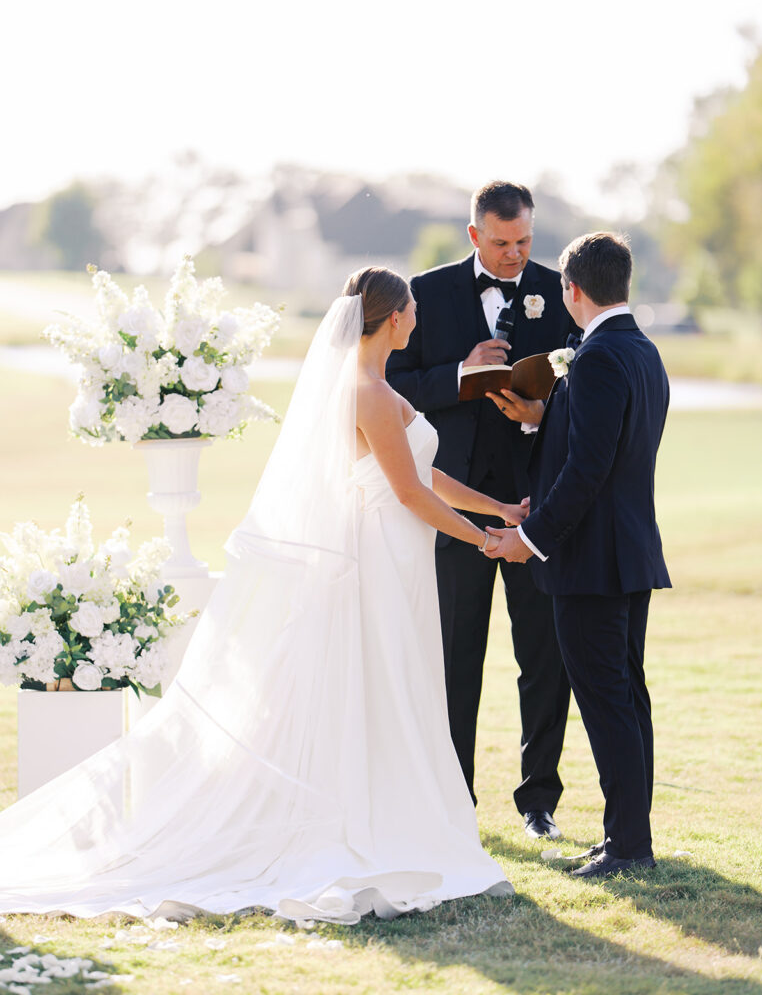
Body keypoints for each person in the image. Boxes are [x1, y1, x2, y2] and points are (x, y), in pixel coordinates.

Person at [0, 267, 519, 923]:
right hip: (379, 558)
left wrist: (498, 508)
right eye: (411, 307)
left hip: (399, 554)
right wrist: (484, 540)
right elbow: (410, 493)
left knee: (393, 682)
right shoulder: (365, 393)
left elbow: (425, 473)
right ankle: (367, 823)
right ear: (393, 318)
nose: (417, 315)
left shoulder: (380, 388)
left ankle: (391, 811)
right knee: (380, 680)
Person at [387, 181, 573, 840]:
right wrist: (460, 375)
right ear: (473, 235)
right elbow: (388, 388)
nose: (513, 254)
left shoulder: (560, 291)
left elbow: (587, 393)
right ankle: (452, 801)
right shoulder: (425, 293)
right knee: (453, 659)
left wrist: (544, 411)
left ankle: (538, 802)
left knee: (544, 659)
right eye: (500, 242)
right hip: (453, 506)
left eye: (523, 241)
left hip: (535, 506)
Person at [486, 232, 671, 878]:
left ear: (571, 289)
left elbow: (589, 470)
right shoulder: (641, 350)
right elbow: (606, 444)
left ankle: (629, 846)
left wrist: (529, 539)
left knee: (608, 700)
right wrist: (545, 417)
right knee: (626, 697)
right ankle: (628, 835)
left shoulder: (594, 359)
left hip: (591, 562)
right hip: (628, 553)